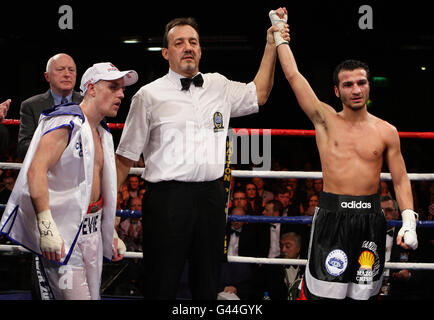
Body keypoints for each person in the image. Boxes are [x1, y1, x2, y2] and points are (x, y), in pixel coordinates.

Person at [115, 16, 285, 300]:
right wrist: (105, 211)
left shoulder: (219, 85)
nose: (188, 47)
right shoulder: (148, 95)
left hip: (211, 196)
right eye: (179, 43)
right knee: (162, 279)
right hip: (166, 198)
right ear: (166, 53)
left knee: (207, 280)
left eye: (193, 42)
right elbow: (125, 157)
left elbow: (261, 93)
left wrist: (270, 45)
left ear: (201, 50)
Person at [270, 7, 419, 300]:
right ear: (337, 91)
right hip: (331, 216)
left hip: (370, 218)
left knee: (365, 295)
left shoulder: (386, 131)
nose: (356, 89)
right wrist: (279, 33)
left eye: (361, 82)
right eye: (348, 84)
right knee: (324, 294)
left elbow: (400, 179)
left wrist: (409, 221)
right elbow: (293, 75)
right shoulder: (324, 120)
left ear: (368, 86)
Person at [0, 62, 138, 299]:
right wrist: (46, 226)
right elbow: (35, 171)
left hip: (92, 232)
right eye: (113, 87)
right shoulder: (65, 122)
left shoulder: (102, 132)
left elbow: (97, 187)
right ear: (92, 89)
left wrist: (109, 231)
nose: (121, 94)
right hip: (63, 233)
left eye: (122, 88)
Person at [17, 53, 83, 159]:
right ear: (47, 76)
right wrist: (54, 148)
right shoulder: (31, 106)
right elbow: (23, 148)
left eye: (71, 70)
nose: (67, 74)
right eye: (60, 69)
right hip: (46, 169)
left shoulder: (89, 103)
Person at [223, 232, 304, 300]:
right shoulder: (271, 265)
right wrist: (236, 289)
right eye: (281, 246)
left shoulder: (307, 266)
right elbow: (253, 284)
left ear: (298, 248)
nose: (283, 250)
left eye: (288, 246)